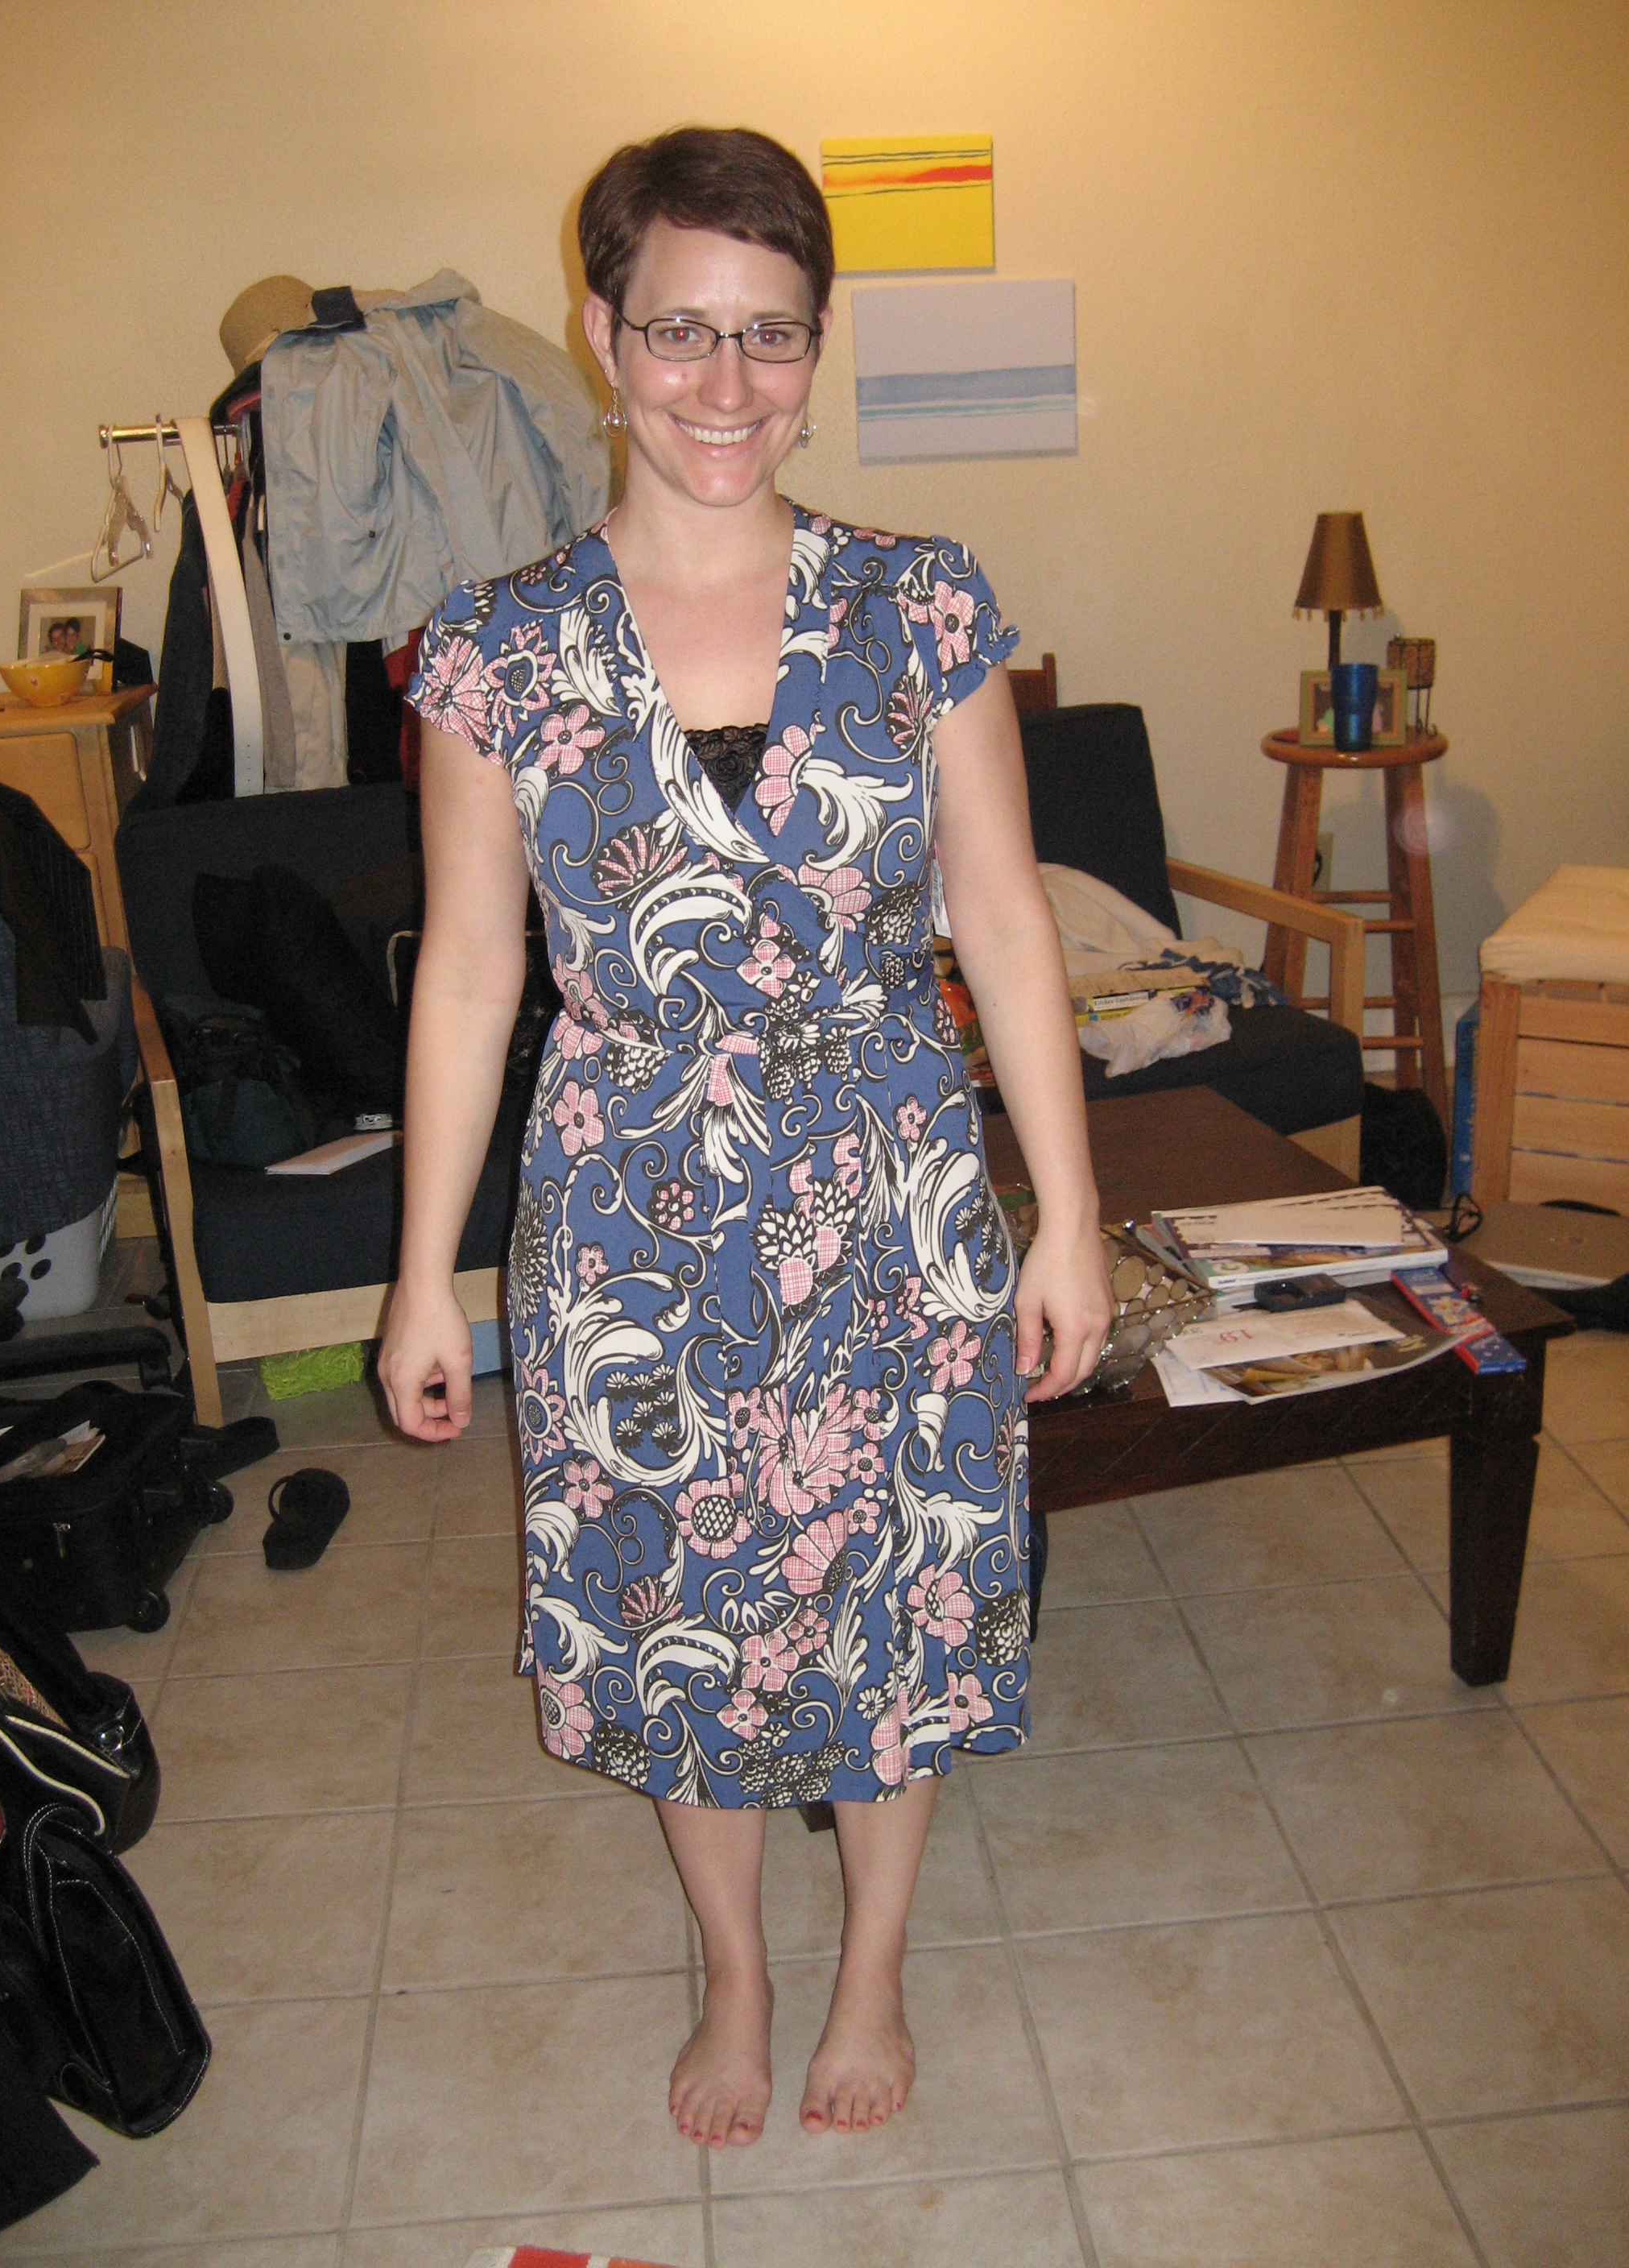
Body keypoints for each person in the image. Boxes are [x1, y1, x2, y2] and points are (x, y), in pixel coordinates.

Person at [378, 126, 1111, 2153]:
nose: (726, 382)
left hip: (895, 1190)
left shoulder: (920, 606)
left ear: (816, 347)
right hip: (633, 1218)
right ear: (601, 331)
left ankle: (872, 1963)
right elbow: (469, 978)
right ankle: (737, 1965)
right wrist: (423, 1272)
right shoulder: (491, 653)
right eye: (682, 330)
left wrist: (1067, 1213)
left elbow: (1007, 922)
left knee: (901, 1588)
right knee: (674, 1602)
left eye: (771, 335)